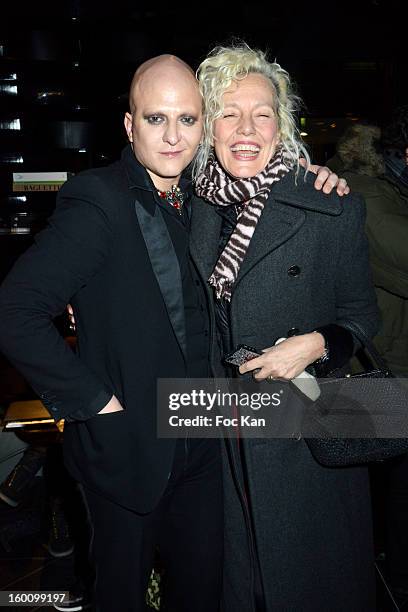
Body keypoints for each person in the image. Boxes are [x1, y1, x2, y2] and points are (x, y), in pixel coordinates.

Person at [0, 53, 348, 612]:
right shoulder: (100, 200)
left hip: (203, 438)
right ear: (130, 125)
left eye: (187, 119)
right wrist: (97, 404)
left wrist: (316, 176)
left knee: (202, 593)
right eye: (156, 119)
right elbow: (14, 309)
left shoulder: (206, 200)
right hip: (129, 446)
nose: (172, 137)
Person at [191, 44, 380, 611]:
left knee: (310, 582)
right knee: (236, 581)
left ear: (283, 125)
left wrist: (318, 343)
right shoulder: (188, 205)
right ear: (208, 126)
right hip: (212, 423)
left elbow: (363, 314)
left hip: (303, 419)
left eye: (263, 113)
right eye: (228, 112)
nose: (246, 128)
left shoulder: (330, 203)